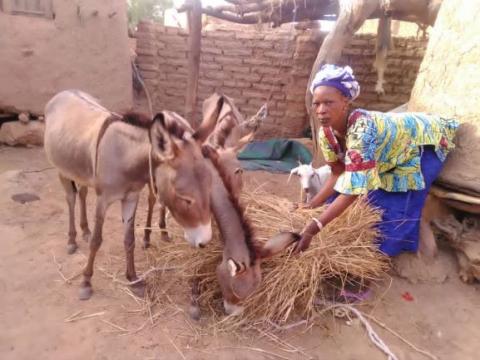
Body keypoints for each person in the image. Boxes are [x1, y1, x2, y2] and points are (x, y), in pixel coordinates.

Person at [293, 64, 459, 257]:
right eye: (316, 103)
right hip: (388, 149)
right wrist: (311, 205)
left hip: (422, 143)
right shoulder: (326, 133)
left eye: (328, 103)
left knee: (393, 213)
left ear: (345, 102)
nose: (321, 110)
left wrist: (314, 227)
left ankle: (392, 256)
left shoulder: (363, 129)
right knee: (340, 204)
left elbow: (355, 189)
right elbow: (338, 173)